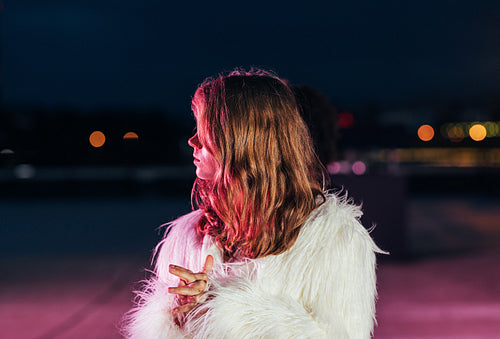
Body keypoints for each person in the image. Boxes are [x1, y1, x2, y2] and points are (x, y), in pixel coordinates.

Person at [123, 69, 384, 338]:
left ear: (245, 140)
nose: (193, 140)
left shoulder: (334, 238)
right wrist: (180, 316)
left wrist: (227, 310)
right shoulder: (189, 236)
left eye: (205, 129)